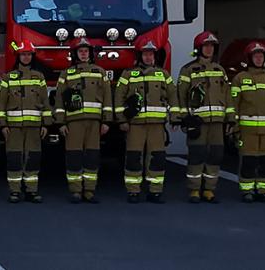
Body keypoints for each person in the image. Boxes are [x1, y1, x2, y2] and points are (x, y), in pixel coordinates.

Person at [175, 31, 231, 203]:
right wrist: (183, 118)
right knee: (196, 155)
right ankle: (193, 190)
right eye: (206, 46)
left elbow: (228, 96)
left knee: (215, 156)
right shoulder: (188, 70)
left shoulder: (219, 70)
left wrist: (231, 119)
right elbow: (180, 96)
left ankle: (209, 190)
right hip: (197, 123)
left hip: (217, 123)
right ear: (199, 48)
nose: (209, 49)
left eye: (212, 46)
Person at [116, 40, 174, 203]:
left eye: (151, 54)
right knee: (134, 158)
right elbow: (118, 97)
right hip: (135, 125)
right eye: (145, 54)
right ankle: (133, 191)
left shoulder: (163, 74)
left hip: (157, 125)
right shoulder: (128, 74)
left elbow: (173, 96)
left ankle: (155, 191)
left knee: (157, 158)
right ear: (140, 56)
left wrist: (175, 118)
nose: (149, 57)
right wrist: (122, 120)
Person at [57, 37, 110, 203]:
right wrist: (61, 122)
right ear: (75, 54)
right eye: (80, 51)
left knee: (92, 157)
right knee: (74, 157)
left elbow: (107, 98)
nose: (84, 54)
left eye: (86, 51)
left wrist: (106, 121)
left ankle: (89, 191)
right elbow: (59, 100)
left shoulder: (100, 72)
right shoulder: (66, 74)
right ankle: (75, 191)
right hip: (73, 122)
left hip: (94, 122)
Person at [0, 41, 49, 203]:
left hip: (34, 127)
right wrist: (3, 125)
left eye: (28, 54)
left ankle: (31, 191)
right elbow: (1, 104)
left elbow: (45, 102)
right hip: (13, 128)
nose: (26, 57)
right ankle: (15, 191)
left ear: (32, 57)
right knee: (14, 158)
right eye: (23, 54)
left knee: (33, 158)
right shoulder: (8, 78)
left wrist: (45, 124)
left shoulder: (39, 77)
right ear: (18, 56)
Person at [231, 42, 265, 203]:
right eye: (256, 56)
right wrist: (234, 127)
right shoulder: (240, 79)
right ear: (249, 58)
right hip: (247, 130)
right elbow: (234, 104)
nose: (259, 59)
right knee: (248, 161)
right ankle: (247, 191)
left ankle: (263, 190)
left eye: (261, 56)